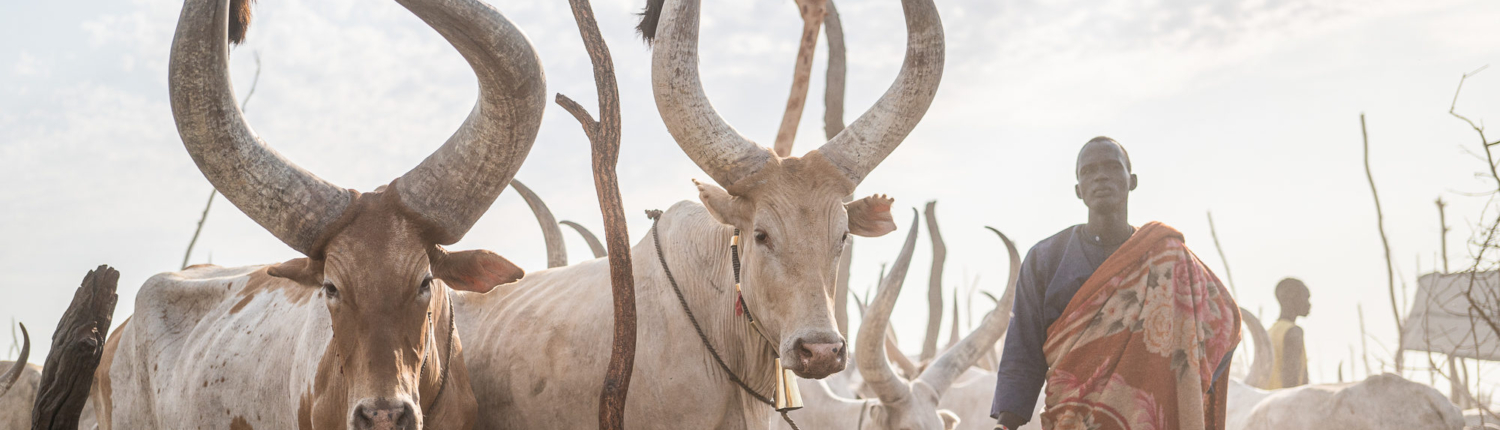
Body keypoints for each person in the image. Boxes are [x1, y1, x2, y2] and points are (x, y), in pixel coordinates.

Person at [991, 137, 1241, 430]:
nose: (1100, 176)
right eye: (1089, 170)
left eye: (1111, 166)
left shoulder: (1168, 258)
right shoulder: (1044, 259)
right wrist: (1006, 425)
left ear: (1131, 180)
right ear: (1078, 190)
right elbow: (1023, 351)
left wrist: (1186, 387)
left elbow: (1223, 321)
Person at [1267, 278, 1310, 389]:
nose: (1309, 304)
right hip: (1287, 402)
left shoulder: (1270, 332)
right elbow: (1292, 382)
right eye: (1306, 298)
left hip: (1268, 401)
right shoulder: (1293, 332)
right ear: (1292, 299)